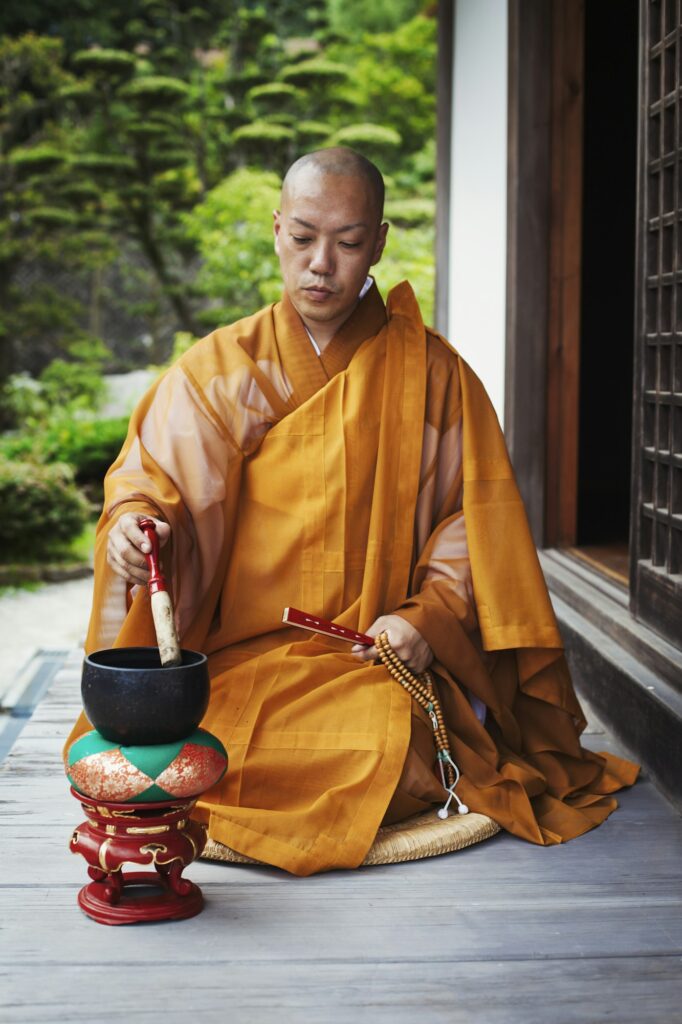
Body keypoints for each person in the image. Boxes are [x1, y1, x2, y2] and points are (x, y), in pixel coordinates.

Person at [66, 148, 637, 876]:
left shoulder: (434, 375)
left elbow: (475, 525)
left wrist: (426, 621)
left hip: (372, 660)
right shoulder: (221, 368)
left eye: (348, 241)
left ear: (381, 240)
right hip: (242, 655)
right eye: (303, 238)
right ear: (276, 230)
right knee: (189, 738)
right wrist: (133, 527)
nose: (321, 264)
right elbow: (156, 480)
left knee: (391, 744)